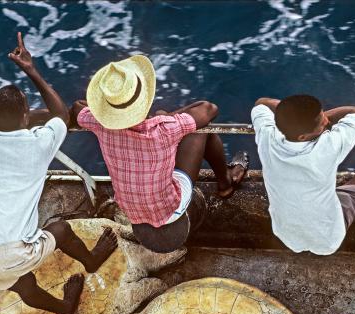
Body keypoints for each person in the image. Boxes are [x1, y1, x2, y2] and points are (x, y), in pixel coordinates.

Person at [0, 33, 117, 314]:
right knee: (59, 231)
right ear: (25, 117)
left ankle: (64, 309)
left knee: (21, 284)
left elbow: (28, 118)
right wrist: (30, 70)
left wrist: (23, 116)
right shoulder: (36, 145)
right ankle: (92, 260)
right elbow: (61, 115)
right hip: (10, 255)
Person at [71, 55, 248, 253]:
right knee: (203, 131)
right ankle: (225, 182)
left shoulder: (100, 124)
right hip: (170, 209)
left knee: (168, 122)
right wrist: (166, 118)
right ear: (144, 97)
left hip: (134, 213)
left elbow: (77, 108)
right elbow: (208, 109)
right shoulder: (163, 129)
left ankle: (224, 180)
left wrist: (104, 110)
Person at [251, 95, 355, 255]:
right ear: (302, 136)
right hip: (329, 240)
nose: (326, 122)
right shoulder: (329, 145)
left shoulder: (267, 138)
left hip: (287, 236)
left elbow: (261, 103)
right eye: (321, 121)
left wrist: (293, 117)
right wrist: (326, 115)